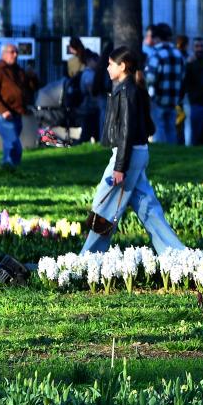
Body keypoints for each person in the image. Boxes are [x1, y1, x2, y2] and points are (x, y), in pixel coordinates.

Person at [81, 46, 186, 255]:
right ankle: (176, 254)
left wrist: (120, 167)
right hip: (136, 153)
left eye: (111, 64)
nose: (108, 68)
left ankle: (88, 259)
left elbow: (126, 133)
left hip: (126, 156)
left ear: (123, 66)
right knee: (147, 207)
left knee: (104, 206)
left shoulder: (126, 91)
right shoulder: (129, 88)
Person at [0, 43, 39, 170]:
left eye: (16, 52)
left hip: (17, 113)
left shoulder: (18, 71)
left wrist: (32, 76)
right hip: (4, 115)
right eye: (12, 52)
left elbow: (32, 88)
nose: (15, 54)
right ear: (4, 54)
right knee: (13, 143)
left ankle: (10, 168)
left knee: (11, 142)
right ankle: (8, 166)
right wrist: (2, 110)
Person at [144, 23, 185, 143]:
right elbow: (183, 76)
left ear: (156, 38)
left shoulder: (156, 55)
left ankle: (161, 150)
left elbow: (150, 78)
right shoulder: (179, 55)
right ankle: (171, 151)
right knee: (171, 128)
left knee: (159, 128)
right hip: (173, 100)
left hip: (157, 99)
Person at [182, 38, 203, 146]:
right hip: (193, 102)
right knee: (193, 129)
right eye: (197, 46)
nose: (199, 49)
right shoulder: (189, 63)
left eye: (202, 46)